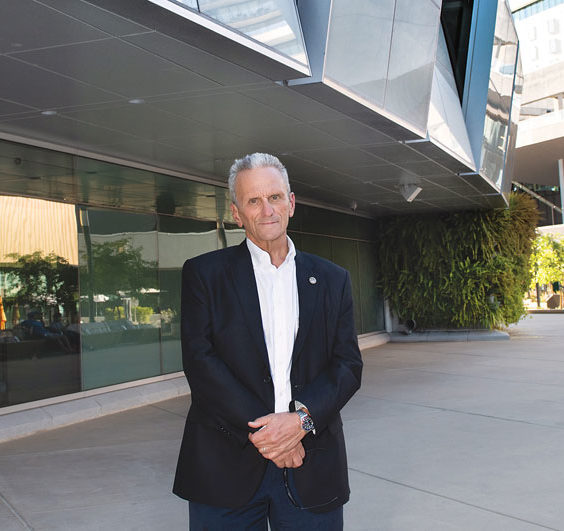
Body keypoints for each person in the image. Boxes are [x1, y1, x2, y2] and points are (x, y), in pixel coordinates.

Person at [173, 153, 363, 530]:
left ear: (291, 203)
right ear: (236, 212)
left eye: (275, 197)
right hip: (225, 466)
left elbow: (347, 366)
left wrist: (301, 423)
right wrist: (273, 436)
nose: (267, 210)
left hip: (311, 462)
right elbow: (201, 362)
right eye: (253, 201)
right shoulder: (204, 275)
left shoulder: (332, 279)